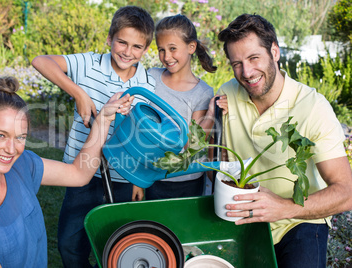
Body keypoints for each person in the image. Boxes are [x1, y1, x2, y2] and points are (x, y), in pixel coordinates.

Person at [0, 77, 133, 268]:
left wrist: (103, 119)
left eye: (20, 137)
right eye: (0, 135)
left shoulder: (21, 164)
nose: (12, 150)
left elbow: (79, 173)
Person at [215, 13, 352, 267]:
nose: (246, 72)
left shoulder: (313, 107)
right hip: (243, 216)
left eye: (254, 58)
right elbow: (221, 158)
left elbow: (346, 192)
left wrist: (285, 207)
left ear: (274, 52)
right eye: (236, 63)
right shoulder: (226, 95)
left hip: (299, 220)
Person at [31, 6, 155, 267]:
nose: (127, 52)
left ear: (145, 50)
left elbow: (143, 137)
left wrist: (138, 182)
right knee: (69, 246)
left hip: (123, 177)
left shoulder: (148, 84)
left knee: (114, 248)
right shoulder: (88, 64)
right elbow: (40, 61)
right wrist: (78, 93)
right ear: (110, 38)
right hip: (81, 173)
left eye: (136, 47)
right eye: (122, 42)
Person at [144, 14, 223, 200]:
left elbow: (191, 143)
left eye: (172, 49)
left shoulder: (202, 92)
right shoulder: (151, 77)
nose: (166, 56)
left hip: (187, 179)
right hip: (152, 174)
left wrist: (211, 113)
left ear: (191, 47)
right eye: (161, 50)